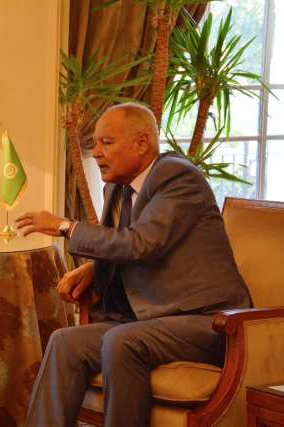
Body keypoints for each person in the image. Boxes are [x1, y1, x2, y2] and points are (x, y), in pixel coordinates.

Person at [17, 103, 251, 427]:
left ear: (142, 143)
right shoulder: (117, 186)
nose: (97, 153)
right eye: (95, 143)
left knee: (122, 341)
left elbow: (141, 244)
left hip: (207, 321)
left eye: (107, 142)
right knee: (64, 342)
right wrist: (94, 269)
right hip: (148, 319)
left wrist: (65, 226)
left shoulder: (178, 178)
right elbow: (127, 245)